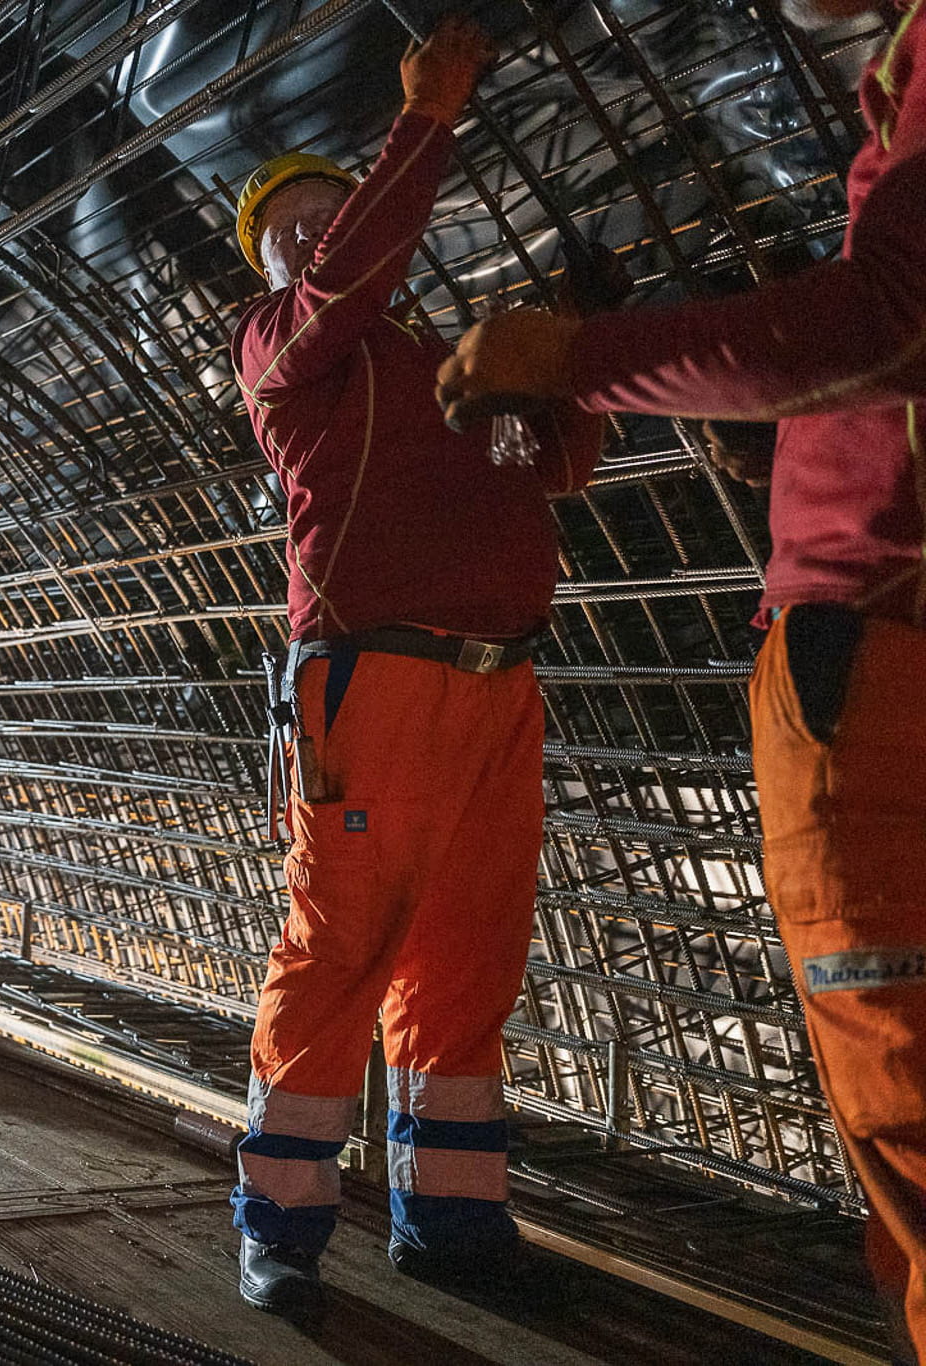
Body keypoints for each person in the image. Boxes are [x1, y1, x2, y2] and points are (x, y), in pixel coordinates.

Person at [435, 1, 926, 1351]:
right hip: (865, 647)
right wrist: (769, 452)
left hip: (878, 657)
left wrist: (575, 358)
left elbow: (892, 320)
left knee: (906, 1099)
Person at [225, 14, 605, 1321]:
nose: (319, 234)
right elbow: (342, 279)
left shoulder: (437, 374)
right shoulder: (284, 349)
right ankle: (279, 1220)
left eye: (335, 210)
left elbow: (540, 469)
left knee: (468, 953)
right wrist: (426, 120)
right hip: (371, 678)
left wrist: (572, 367)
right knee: (340, 949)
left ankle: (449, 1217)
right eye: (297, 226)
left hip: (500, 683)